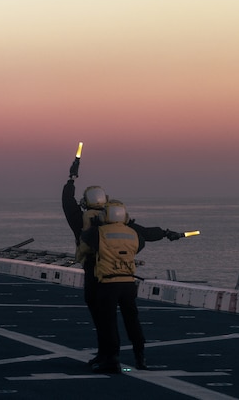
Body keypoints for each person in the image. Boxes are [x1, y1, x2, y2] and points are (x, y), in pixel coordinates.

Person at [62, 153, 183, 373]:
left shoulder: (84, 222)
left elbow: (67, 202)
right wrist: (167, 233)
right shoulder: (120, 225)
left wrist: (71, 177)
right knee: (127, 317)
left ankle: (108, 356)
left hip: (96, 272)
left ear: (86, 201)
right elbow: (144, 233)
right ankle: (131, 356)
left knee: (102, 318)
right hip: (125, 276)